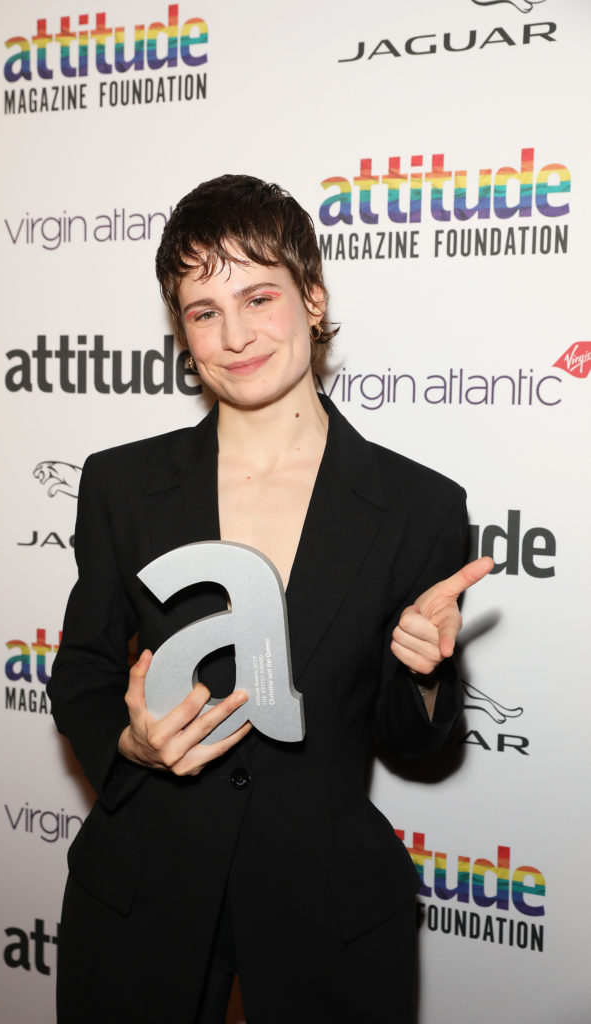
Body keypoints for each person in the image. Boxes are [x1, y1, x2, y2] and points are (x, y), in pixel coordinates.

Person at [48, 174, 492, 1024]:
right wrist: (131, 745)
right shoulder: (119, 483)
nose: (236, 334)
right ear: (180, 331)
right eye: (203, 310)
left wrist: (424, 672)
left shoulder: (418, 506)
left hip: (326, 909)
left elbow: (412, 740)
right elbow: (84, 670)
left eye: (259, 296)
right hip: (140, 894)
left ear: (313, 298)